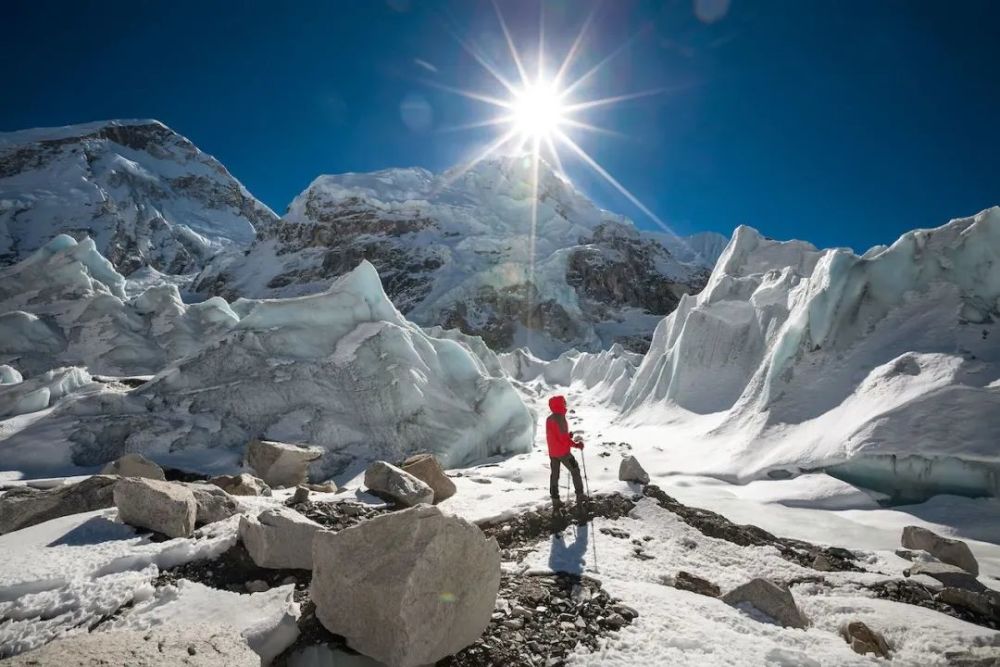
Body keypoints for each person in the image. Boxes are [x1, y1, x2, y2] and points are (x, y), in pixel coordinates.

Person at [545, 394, 586, 506]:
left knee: (554, 475)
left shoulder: (549, 419)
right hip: (563, 453)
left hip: (553, 453)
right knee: (575, 470)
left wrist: (568, 436)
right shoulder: (560, 419)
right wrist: (577, 445)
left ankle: (555, 499)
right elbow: (564, 440)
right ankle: (580, 495)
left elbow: (556, 436)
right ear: (559, 404)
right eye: (563, 402)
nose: (565, 404)